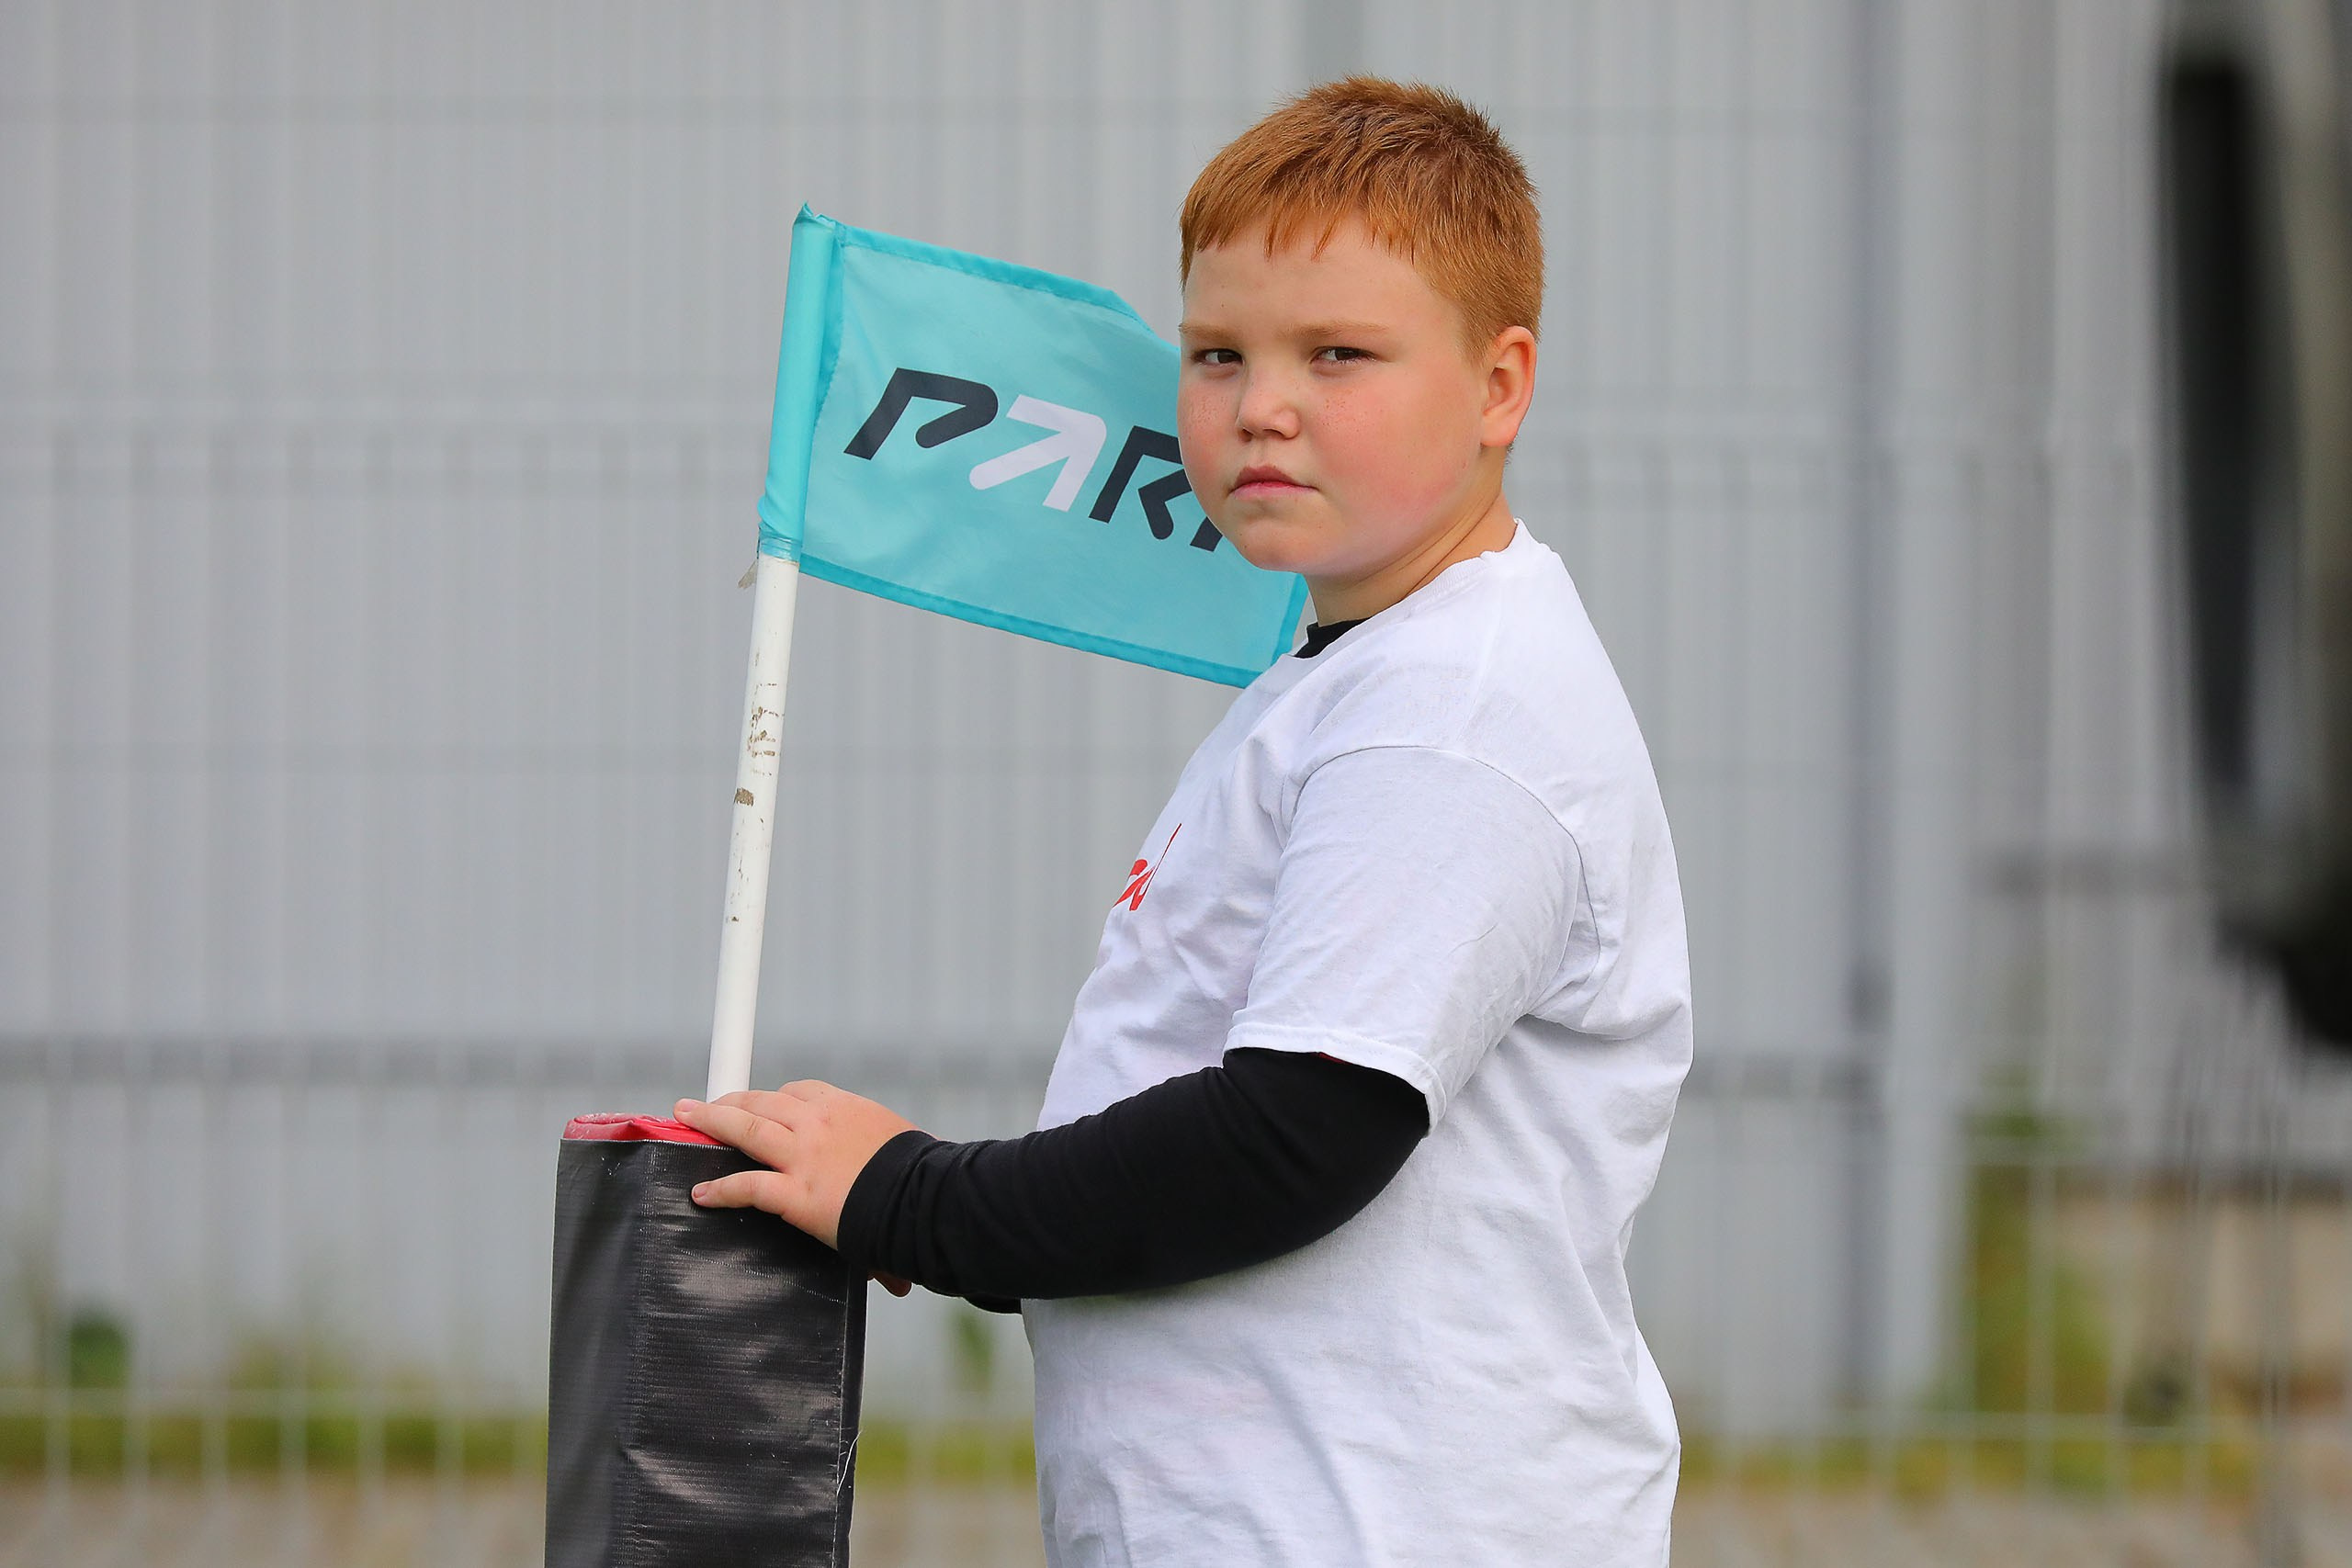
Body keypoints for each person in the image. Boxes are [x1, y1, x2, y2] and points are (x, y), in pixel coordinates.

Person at [675, 74, 1693, 1567]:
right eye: (1217, 353)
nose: (1259, 405)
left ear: (1500, 385)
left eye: (1339, 354)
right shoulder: (1361, 664)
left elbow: (1292, 1139)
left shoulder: (1453, 714)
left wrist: (912, 1200)